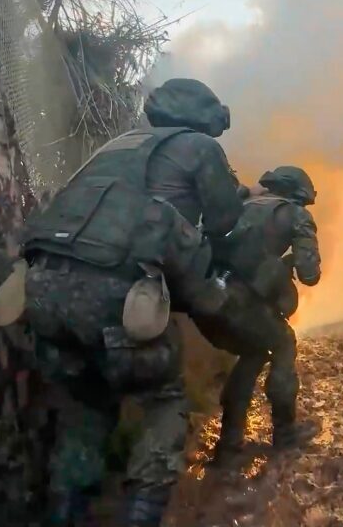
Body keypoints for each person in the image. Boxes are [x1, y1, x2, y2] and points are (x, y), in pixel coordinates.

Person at [20, 78, 246, 527]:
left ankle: (66, 512)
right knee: (164, 400)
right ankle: (141, 513)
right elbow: (225, 221)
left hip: (42, 290)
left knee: (87, 403)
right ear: (203, 117)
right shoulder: (200, 146)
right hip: (115, 293)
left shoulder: (117, 146)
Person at [191, 166, 322, 463]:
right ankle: (285, 434)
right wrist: (288, 262)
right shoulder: (296, 214)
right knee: (283, 342)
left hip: (206, 305)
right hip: (240, 307)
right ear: (298, 194)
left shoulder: (240, 205)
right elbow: (310, 275)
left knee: (254, 351)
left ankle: (229, 443)